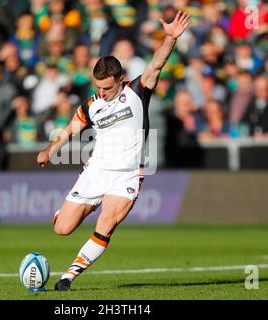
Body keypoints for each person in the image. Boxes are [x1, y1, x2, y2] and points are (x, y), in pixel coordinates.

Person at [36, 10, 190, 291]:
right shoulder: (93, 103)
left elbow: (157, 64)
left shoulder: (136, 92)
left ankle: (67, 278)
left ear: (121, 79)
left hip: (127, 175)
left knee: (106, 224)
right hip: (96, 171)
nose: (102, 93)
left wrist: (169, 39)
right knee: (62, 228)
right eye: (98, 87)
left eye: (107, 88)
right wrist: (50, 149)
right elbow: (72, 127)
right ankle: (79, 206)